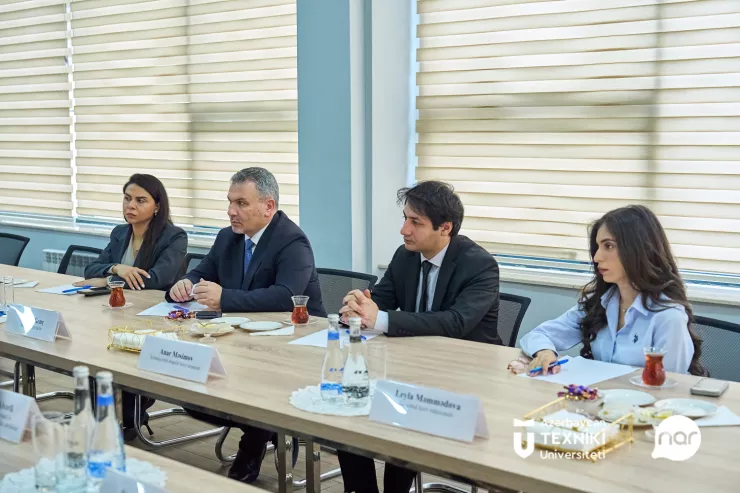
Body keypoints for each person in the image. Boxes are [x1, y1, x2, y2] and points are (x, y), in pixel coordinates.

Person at [337, 180, 500, 493]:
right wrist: (358, 307)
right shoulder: (406, 256)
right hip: (412, 368)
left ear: (445, 228)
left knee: (401, 416)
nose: (404, 230)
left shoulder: (479, 265)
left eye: (415, 222)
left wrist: (379, 318)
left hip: (464, 377)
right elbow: (380, 300)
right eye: (405, 219)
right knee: (349, 408)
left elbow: (455, 323)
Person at [168, 167, 325, 484]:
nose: (231, 211)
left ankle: (254, 443)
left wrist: (225, 297)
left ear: (268, 206)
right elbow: (203, 270)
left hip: (293, 345)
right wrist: (185, 283)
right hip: (241, 339)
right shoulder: (228, 237)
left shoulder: (292, 240)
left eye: (241, 203)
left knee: (258, 386)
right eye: (230, 202)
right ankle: (263, 429)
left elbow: (285, 296)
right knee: (196, 394)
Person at [520, 205, 705, 377]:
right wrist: (545, 352)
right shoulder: (601, 302)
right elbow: (537, 335)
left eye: (608, 246)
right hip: (603, 398)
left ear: (638, 249)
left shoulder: (668, 317)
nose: (596, 257)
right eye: (598, 247)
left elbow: (670, 385)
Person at [77, 173, 187, 441]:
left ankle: (128, 416)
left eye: (140, 200)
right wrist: (117, 268)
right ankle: (103, 416)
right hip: (117, 312)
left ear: (157, 206)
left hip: (154, 318)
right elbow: (90, 270)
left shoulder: (174, 236)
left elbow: (155, 279)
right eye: (127, 199)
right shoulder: (120, 233)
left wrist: (107, 279)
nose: (131, 205)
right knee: (94, 355)